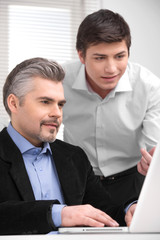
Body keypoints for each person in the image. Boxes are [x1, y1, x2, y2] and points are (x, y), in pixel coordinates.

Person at [0, 57, 136, 235]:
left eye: (60, 104)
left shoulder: (74, 157)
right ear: (14, 103)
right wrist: (58, 214)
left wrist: (130, 210)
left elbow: (105, 213)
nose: (57, 113)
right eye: (45, 102)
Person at [62, 9, 160, 206]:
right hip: (78, 179)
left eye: (119, 56)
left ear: (128, 53)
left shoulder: (149, 86)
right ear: (81, 55)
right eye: (99, 58)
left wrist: (154, 162)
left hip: (132, 179)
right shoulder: (59, 80)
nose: (111, 69)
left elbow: (154, 149)